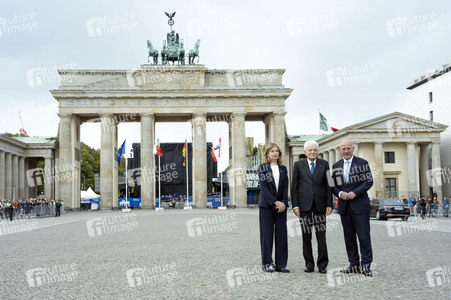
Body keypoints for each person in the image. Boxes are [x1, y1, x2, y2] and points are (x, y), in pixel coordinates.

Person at [330, 140, 374, 277]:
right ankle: (353, 265)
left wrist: (355, 193)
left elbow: (368, 181)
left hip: (360, 206)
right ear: (340, 150)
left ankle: (366, 266)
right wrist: (339, 193)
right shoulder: (336, 165)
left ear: (353, 148)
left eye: (348, 148)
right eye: (343, 149)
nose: (346, 151)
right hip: (344, 207)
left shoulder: (362, 163)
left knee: (364, 238)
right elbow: (332, 185)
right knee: (349, 239)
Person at [291, 140, 332, 274]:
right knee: (306, 236)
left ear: (318, 152)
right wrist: (295, 205)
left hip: (320, 205)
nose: (312, 152)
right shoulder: (298, 165)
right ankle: (309, 264)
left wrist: (329, 204)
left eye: (315, 150)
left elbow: (329, 185)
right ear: (305, 152)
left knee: (321, 236)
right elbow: (294, 187)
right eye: (310, 150)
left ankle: (322, 265)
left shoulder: (324, 164)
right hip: (304, 206)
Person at [258, 143, 289, 273]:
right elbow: (263, 187)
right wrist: (275, 202)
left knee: (281, 235)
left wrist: (283, 203)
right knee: (267, 235)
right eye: (272, 151)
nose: (275, 153)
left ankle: (281, 264)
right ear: (267, 154)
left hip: (281, 207)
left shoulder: (283, 168)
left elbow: (285, 187)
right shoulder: (263, 168)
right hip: (267, 206)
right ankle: (267, 263)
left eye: (277, 151)